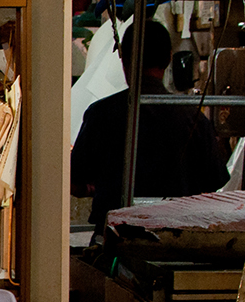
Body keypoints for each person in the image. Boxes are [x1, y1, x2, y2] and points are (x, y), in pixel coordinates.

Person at [70, 19, 229, 239]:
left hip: (115, 241)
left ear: (124, 58)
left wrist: (99, 186)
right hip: (177, 243)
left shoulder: (102, 113)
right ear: (169, 58)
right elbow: (213, 186)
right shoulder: (194, 118)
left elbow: (75, 182)